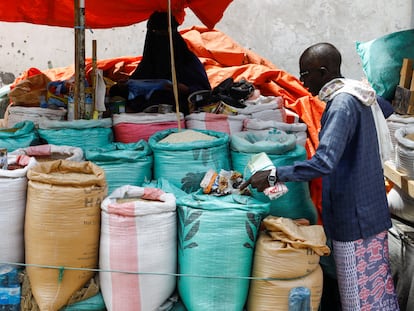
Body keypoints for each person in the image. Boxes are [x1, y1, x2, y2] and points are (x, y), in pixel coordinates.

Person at [240, 42, 399, 311]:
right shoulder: (357, 95)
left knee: (359, 299)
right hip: (367, 213)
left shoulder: (342, 105)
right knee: (375, 294)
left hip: (355, 219)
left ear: (323, 72)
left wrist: (273, 176)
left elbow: (324, 162)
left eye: (305, 74)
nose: (303, 81)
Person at [117, 11, 211, 115]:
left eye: (165, 35)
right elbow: (138, 80)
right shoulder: (150, 60)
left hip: (177, 103)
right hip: (147, 101)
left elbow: (204, 92)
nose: (160, 40)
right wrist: (126, 85)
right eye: (156, 34)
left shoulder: (188, 60)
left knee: (165, 97)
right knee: (115, 91)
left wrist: (186, 89)